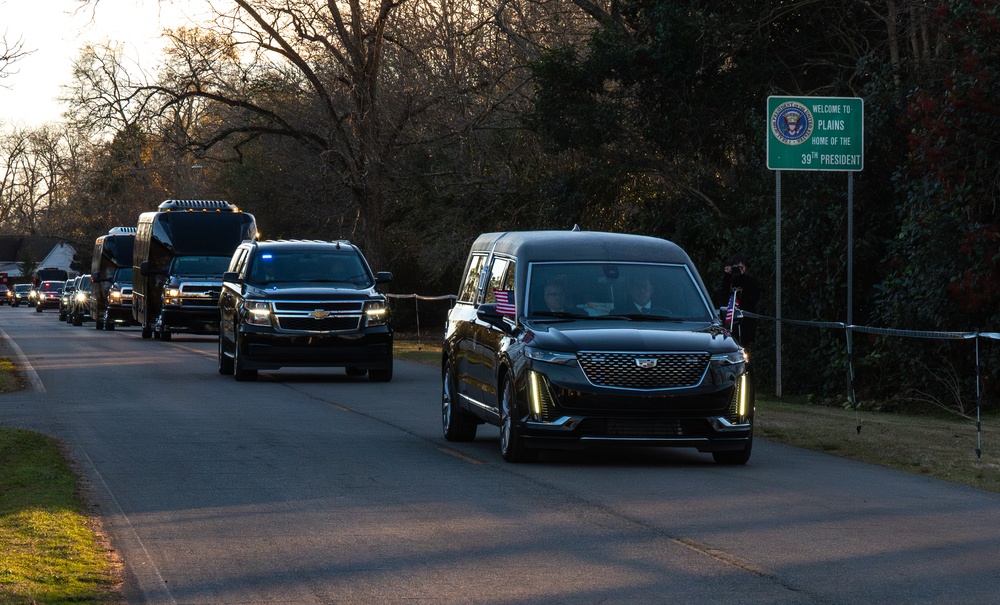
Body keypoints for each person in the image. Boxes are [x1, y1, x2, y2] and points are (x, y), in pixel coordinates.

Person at [720, 253, 761, 349]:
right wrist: (727, 277)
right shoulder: (730, 281)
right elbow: (723, 298)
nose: (738, 270)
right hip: (731, 325)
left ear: (745, 268)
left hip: (746, 324)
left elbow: (752, 299)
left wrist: (742, 277)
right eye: (736, 267)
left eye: (740, 267)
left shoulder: (751, 282)